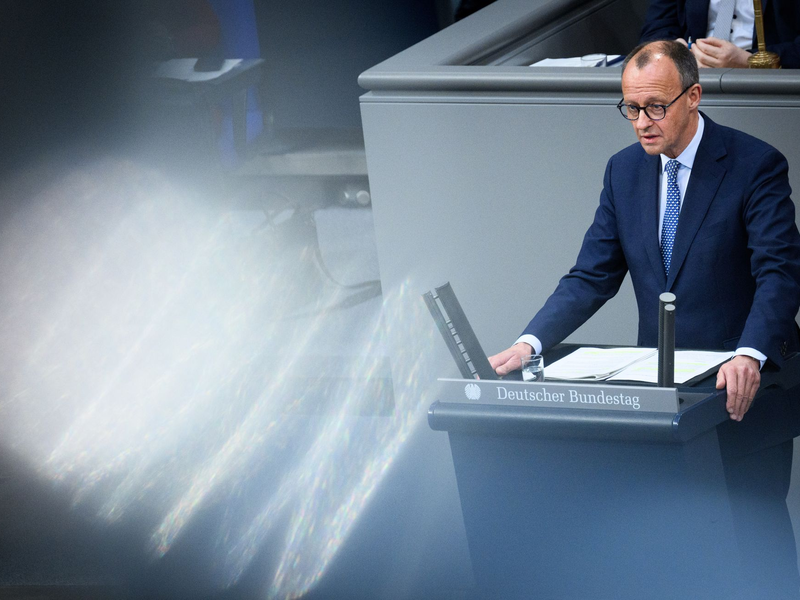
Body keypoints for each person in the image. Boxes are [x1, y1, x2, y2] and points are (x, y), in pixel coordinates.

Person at [489, 40, 800, 598]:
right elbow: (591, 275)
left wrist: (750, 353)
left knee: (755, 547)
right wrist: (530, 343)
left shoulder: (755, 164)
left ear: (693, 97)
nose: (641, 122)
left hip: (744, 392)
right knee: (672, 547)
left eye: (655, 106)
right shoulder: (624, 172)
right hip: (663, 401)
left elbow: (780, 274)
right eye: (631, 108)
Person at [639, 0, 800, 68]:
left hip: (769, 82)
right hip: (693, 75)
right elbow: (655, 31)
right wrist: (673, 50)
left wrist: (748, 61)